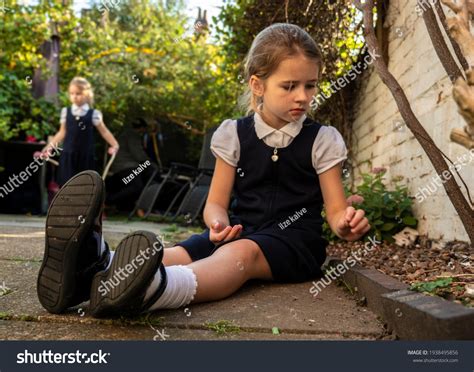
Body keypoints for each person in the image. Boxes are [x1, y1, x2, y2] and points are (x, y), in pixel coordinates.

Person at [37, 23, 371, 317]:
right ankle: (95, 269)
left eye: (310, 85)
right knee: (184, 251)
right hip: (240, 229)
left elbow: (336, 213)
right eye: (289, 86)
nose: (302, 97)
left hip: (295, 244)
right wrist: (217, 223)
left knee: (242, 254)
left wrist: (346, 224)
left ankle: (156, 291)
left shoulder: (322, 140)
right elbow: (216, 203)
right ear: (258, 85)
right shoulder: (234, 135)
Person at [42, 77, 119, 186]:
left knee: (83, 188)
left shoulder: (94, 114)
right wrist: (49, 147)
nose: (74, 96)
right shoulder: (66, 112)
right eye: (72, 93)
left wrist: (115, 145)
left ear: (87, 94)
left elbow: (104, 132)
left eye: (78, 93)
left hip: (85, 157)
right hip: (68, 157)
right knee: (66, 186)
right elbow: (62, 133)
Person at [105, 118, 156, 212]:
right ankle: (107, 202)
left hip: (120, 168)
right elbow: (138, 154)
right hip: (128, 167)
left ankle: (124, 206)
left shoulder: (124, 134)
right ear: (142, 128)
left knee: (135, 185)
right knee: (137, 186)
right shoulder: (132, 135)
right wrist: (150, 162)